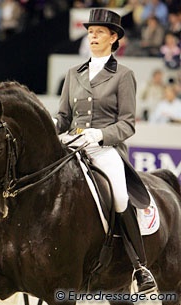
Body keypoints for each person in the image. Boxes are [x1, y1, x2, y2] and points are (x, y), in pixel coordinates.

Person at [53, 8, 157, 293]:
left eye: (99, 32)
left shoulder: (123, 75)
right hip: (73, 145)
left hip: (104, 149)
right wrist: (52, 125)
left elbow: (127, 124)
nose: (93, 36)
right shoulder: (73, 73)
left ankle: (140, 266)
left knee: (120, 196)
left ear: (114, 38)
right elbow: (63, 117)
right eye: (90, 32)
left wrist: (100, 134)